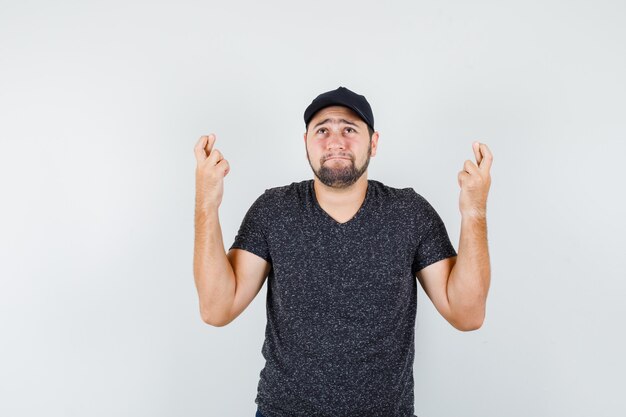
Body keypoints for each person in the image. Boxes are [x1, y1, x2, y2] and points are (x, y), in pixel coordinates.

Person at [193, 86, 493, 417]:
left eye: (349, 129)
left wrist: (474, 211)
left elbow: (467, 315)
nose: (336, 141)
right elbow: (216, 309)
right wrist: (207, 201)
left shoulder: (410, 213)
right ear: (305, 142)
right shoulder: (273, 211)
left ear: (373, 142)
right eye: (323, 130)